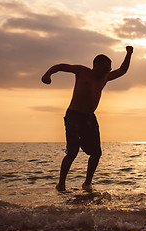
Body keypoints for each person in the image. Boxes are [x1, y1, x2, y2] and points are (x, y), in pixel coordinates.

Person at [41, 46, 133, 192]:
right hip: (74, 116)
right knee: (72, 152)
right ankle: (61, 184)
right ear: (95, 65)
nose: (107, 72)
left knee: (96, 153)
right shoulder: (82, 71)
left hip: (90, 118)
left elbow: (122, 70)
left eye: (108, 69)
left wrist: (129, 54)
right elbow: (61, 66)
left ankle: (87, 183)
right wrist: (47, 75)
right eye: (104, 68)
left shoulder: (105, 77)